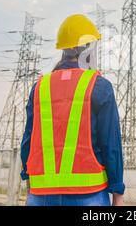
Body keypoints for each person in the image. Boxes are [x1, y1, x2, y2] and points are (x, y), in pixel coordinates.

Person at [20, 14, 125, 206]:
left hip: (41, 193)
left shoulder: (40, 87)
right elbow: (111, 144)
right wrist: (117, 191)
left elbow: (28, 138)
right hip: (88, 194)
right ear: (89, 49)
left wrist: (28, 177)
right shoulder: (99, 85)